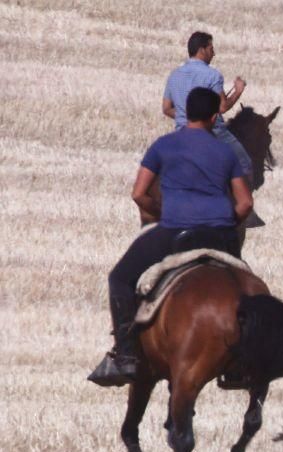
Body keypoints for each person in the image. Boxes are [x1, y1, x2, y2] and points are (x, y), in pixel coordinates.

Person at [88, 88, 254, 387]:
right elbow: (245, 204)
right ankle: (244, 360)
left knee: (119, 279)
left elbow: (138, 194)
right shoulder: (226, 152)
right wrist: (227, 224)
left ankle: (125, 355)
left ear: (184, 113)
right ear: (215, 117)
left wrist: (162, 211)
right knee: (248, 289)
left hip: (175, 231)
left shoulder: (163, 146)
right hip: (219, 234)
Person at [162, 31, 254, 186]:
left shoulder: (174, 75)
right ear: (202, 49)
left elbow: (166, 108)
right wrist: (238, 91)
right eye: (211, 49)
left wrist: (185, 117)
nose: (214, 53)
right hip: (212, 132)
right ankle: (242, 207)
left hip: (181, 133)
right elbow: (222, 107)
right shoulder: (212, 75)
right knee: (246, 164)